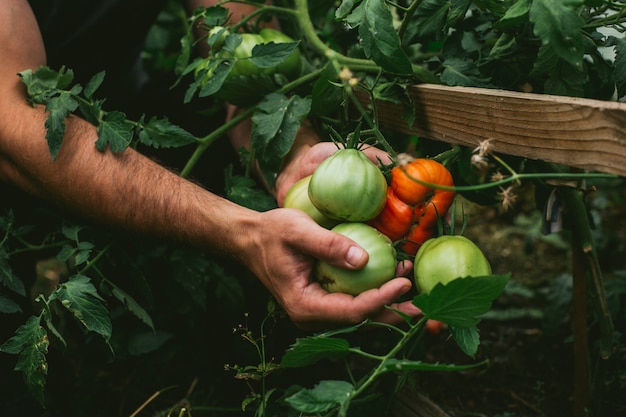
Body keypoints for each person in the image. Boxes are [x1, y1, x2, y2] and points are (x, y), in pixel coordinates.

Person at [0, 0, 420, 331]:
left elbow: (243, 67)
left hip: (112, 115)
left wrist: (293, 155)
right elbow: (19, 125)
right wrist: (241, 232)